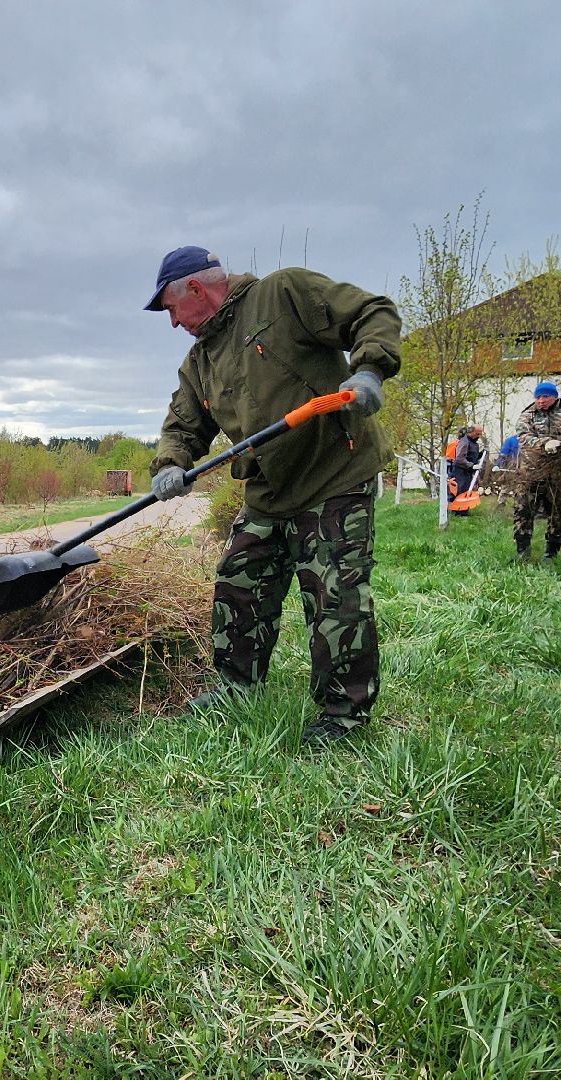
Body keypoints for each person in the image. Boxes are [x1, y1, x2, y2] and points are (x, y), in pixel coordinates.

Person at [143, 245, 400, 746]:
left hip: (333, 472)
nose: (173, 324)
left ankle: (343, 714)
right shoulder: (200, 361)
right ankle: (237, 685)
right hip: (268, 489)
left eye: (172, 309)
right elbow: (183, 424)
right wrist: (172, 463)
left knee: (335, 596)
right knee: (239, 580)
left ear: (196, 289)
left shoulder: (284, 294)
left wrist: (369, 369)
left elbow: (372, 311)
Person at [512, 381, 561, 561]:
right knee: (523, 510)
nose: (541, 400)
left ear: (555, 397)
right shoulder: (528, 415)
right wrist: (545, 443)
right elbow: (523, 437)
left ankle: (551, 554)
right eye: (538, 397)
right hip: (531, 472)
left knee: (558, 512)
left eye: (545, 397)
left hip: (560, 474)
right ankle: (523, 551)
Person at [449, 425, 485, 517]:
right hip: (460, 471)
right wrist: (472, 466)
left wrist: (482, 454)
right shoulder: (464, 442)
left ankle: (463, 512)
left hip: (467, 471)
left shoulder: (474, 444)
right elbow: (459, 459)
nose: (479, 436)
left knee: (467, 491)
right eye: (477, 433)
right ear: (471, 432)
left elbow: (472, 456)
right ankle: (459, 514)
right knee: (461, 492)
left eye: (480, 434)